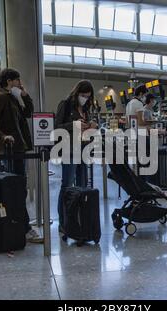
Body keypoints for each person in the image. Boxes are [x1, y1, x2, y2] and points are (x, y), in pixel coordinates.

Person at [0, 68, 42, 243]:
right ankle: (23, 227)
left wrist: (24, 95)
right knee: (16, 189)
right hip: (11, 149)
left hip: (18, 148)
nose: (20, 83)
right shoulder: (0, 97)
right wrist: (1, 137)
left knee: (18, 189)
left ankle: (20, 225)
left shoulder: (12, 98)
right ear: (9, 81)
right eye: (18, 80)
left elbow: (28, 113)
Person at [55, 80, 98, 233]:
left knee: (82, 186)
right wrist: (74, 125)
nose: (85, 98)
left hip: (83, 149)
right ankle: (63, 222)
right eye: (82, 95)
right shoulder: (65, 104)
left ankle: (79, 219)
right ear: (76, 93)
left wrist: (92, 125)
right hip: (69, 150)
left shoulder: (86, 108)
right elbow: (57, 127)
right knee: (67, 185)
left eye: (87, 96)